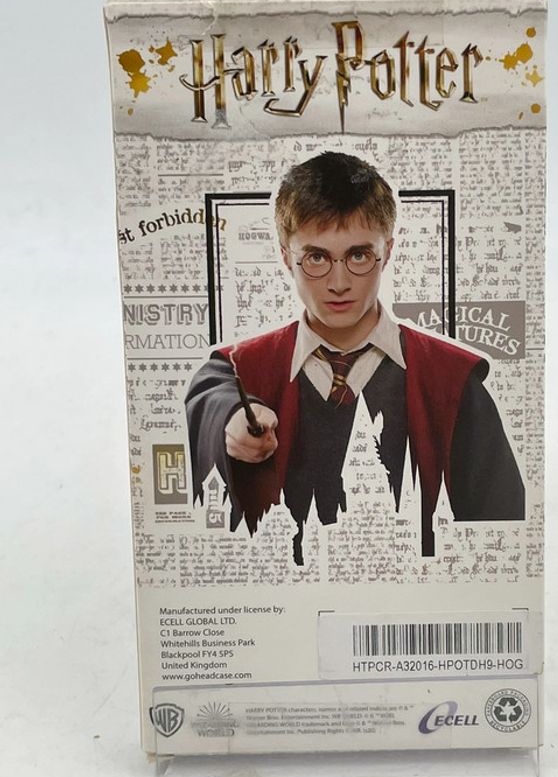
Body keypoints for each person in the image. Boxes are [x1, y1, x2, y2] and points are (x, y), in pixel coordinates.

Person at [186, 151, 524, 565]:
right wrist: (233, 418)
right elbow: (212, 391)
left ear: (388, 251)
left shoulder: (454, 380)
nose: (339, 282)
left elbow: (503, 528)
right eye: (316, 257)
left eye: (359, 255)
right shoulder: (240, 368)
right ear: (285, 256)